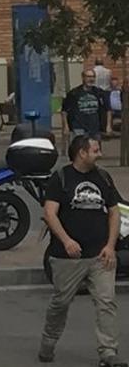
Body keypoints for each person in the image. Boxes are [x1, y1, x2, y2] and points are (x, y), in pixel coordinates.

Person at [39, 135, 126, 367]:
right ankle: (48, 342)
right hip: (68, 257)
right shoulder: (61, 178)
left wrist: (110, 245)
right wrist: (67, 240)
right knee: (61, 303)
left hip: (100, 255)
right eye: (96, 150)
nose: (100, 154)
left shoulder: (103, 177)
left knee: (106, 302)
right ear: (82, 153)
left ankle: (108, 352)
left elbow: (114, 211)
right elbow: (49, 213)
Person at [63, 69, 110, 140]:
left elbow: (108, 110)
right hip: (79, 128)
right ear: (83, 77)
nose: (91, 79)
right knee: (80, 148)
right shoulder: (74, 93)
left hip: (95, 129)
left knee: (94, 149)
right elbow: (64, 111)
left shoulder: (99, 93)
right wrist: (66, 126)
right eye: (88, 77)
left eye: (93, 77)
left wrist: (108, 126)